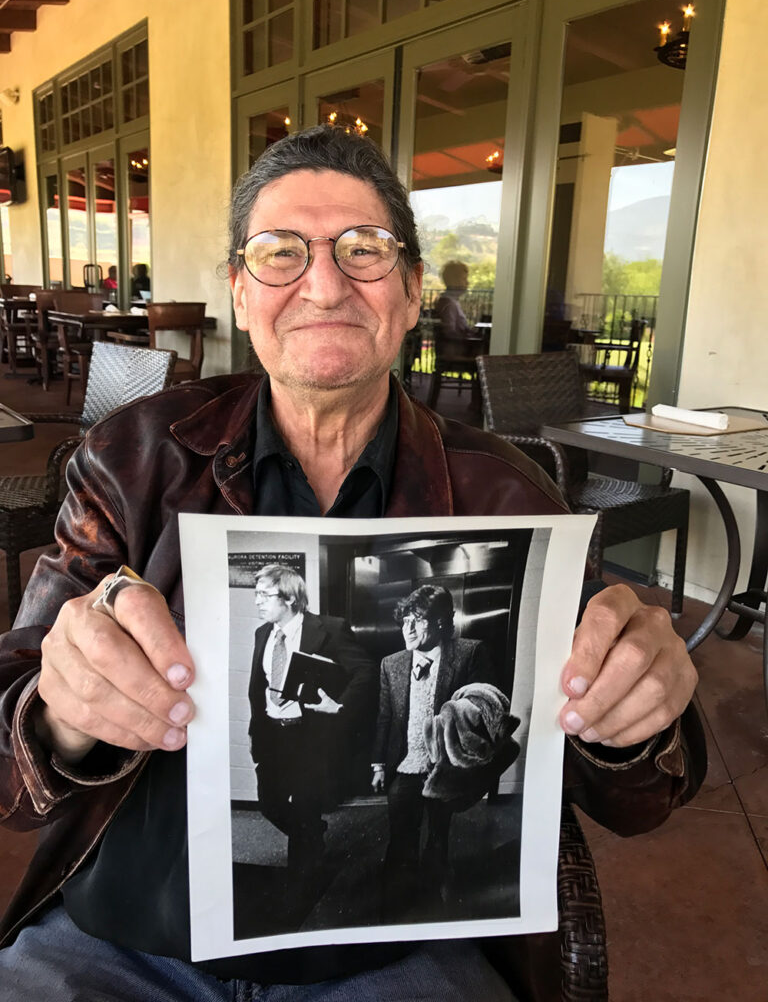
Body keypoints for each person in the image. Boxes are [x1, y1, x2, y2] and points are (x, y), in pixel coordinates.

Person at [0, 124, 704, 1002]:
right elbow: (12, 745)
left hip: (394, 959)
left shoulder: (508, 493)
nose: (324, 284)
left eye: (364, 250)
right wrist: (61, 710)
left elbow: (635, 802)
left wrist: (642, 712)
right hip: (130, 939)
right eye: (280, 252)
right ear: (239, 289)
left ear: (410, 292)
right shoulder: (129, 456)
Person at [371, 584, 496, 909]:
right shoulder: (392, 664)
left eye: (418, 620)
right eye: (404, 621)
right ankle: (397, 902)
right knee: (401, 835)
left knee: (438, 835)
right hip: (405, 765)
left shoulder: (470, 653)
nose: (408, 628)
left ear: (440, 622)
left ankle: (433, 900)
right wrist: (379, 764)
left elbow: (486, 711)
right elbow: (385, 717)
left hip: (444, 768)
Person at [247, 563, 374, 872]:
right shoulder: (262, 633)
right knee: (270, 804)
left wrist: (339, 706)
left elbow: (366, 671)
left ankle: (303, 883)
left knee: (304, 810)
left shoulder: (329, 629)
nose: (257, 601)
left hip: (309, 737)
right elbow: (258, 687)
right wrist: (257, 732)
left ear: (290, 597)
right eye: (256, 594)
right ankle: (312, 835)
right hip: (273, 737)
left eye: (265, 594)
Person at [432, 260, 472, 337]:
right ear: (454, 281)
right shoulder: (449, 303)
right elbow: (449, 333)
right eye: (464, 279)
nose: (467, 283)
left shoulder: (451, 300)